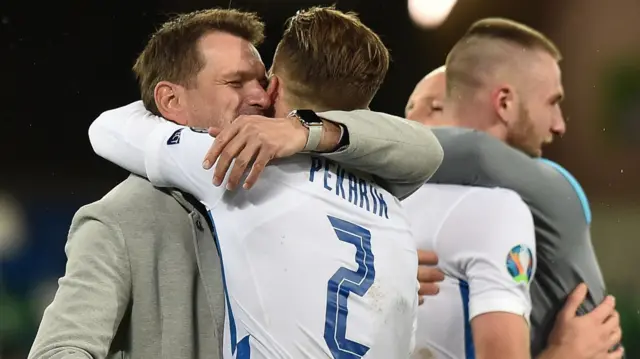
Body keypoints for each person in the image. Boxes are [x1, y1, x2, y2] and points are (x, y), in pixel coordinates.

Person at [29, 8, 445, 359]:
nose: (261, 98)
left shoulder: (290, 176)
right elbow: (62, 348)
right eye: (235, 83)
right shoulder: (125, 217)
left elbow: (109, 127)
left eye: (262, 80)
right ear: (171, 101)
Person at [404, 18, 623, 359]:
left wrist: (321, 136)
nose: (560, 124)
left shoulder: (552, 190)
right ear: (504, 102)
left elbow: (475, 153)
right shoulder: (388, 204)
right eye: (552, 102)